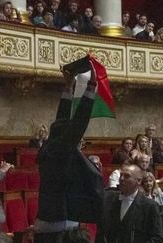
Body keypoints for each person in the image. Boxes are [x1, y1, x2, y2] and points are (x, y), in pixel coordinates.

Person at [34, 60, 103, 242]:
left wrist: (69, 86)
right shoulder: (59, 150)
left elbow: (61, 120)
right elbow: (79, 122)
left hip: (47, 218)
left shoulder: (50, 148)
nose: (78, 139)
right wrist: (91, 85)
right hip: (59, 223)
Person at [96, 164, 163, 243]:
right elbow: (101, 232)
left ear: (138, 181)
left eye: (127, 176)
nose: (121, 179)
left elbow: (156, 238)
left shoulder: (150, 206)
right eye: (121, 175)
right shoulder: (109, 199)